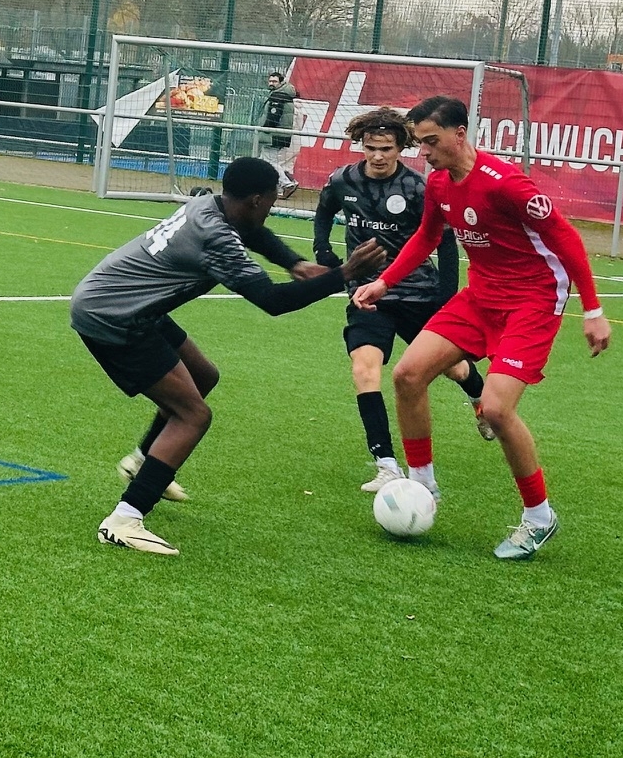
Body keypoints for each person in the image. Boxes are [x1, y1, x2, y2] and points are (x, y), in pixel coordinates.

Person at [72, 156, 387, 556]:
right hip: (113, 317)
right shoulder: (215, 238)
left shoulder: (208, 203)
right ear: (256, 200)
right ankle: (124, 519)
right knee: (194, 415)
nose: (271, 207)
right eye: (271, 200)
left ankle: (143, 461)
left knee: (203, 375)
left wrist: (293, 263)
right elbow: (272, 300)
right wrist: (343, 274)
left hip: (127, 304)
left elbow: (252, 232)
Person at [352, 96, 610, 560]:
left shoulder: (506, 184)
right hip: (481, 295)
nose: (424, 152)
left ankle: (539, 517)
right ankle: (423, 486)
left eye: (431, 141)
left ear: (459, 134)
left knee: (495, 408)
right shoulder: (437, 182)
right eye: (419, 143)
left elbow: (565, 237)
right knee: (407, 375)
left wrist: (592, 309)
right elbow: (427, 236)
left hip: (533, 300)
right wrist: (385, 281)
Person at [312, 106, 492, 494]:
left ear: (401, 148)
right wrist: (322, 249)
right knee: (364, 369)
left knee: (453, 369)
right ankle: (387, 465)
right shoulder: (342, 179)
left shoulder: (417, 188)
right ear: (362, 146)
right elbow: (324, 211)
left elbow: (444, 242)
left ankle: (481, 400)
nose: (377, 156)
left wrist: (446, 297)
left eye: (386, 149)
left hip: (418, 293)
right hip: (367, 294)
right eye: (370, 148)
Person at [259, 71, 299, 196]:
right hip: (281, 134)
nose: (271, 83)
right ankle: (285, 182)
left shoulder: (278, 96)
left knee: (270, 161)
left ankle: (286, 184)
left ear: (281, 83)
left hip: (274, 135)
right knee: (264, 160)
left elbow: (273, 118)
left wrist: (264, 130)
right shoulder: (286, 95)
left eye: (274, 81)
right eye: (270, 81)